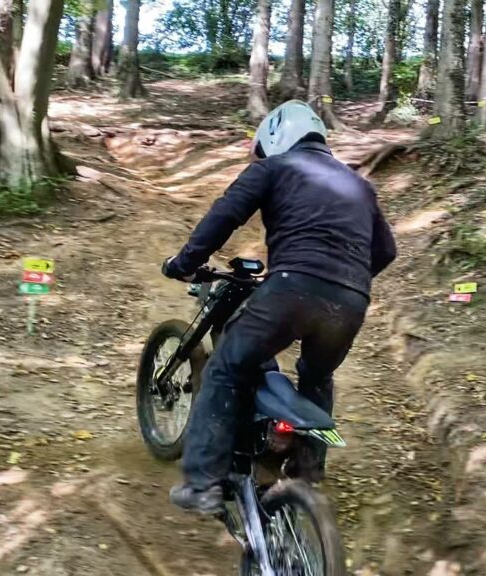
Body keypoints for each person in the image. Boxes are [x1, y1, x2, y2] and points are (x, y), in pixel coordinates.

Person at [162, 100, 397, 514]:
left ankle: (202, 484)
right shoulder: (358, 184)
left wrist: (184, 263)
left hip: (292, 287)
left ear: (274, 136)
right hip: (352, 299)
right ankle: (306, 474)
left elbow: (225, 214)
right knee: (317, 376)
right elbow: (386, 251)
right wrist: (343, 281)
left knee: (227, 367)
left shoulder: (273, 167)